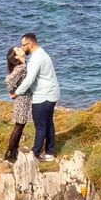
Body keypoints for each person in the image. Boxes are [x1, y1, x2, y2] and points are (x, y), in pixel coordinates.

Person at [10, 33, 60, 161]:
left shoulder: (36, 58)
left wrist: (17, 92)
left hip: (43, 95)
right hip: (51, 93)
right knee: (48, 123)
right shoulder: (41, 53)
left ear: (30, 44)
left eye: (23, 45)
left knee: (40, 126)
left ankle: (35, 154)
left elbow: (29, 79)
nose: (22, 47)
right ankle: (49, 152)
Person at [4, 46, 33, 163]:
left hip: (25, 99)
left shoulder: (24, 65)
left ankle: (13, 150)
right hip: (22, 99)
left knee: (20, 125)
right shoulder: (20, 68)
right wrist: (13, 93)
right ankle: (10, 152)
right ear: (16, 57)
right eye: (18, 50)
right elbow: (8, 81)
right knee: (19, 126)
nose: (21, 48)